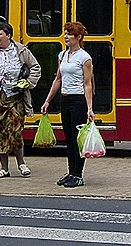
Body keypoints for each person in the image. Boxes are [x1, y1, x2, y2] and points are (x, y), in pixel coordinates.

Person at [0, 22, 41, 179]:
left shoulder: (22, 51)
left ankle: (21, 164)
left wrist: (28, 82)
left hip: (14, 97)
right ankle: (4, 168)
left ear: (8, 36)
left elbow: (36, 68)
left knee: (15, 131)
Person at [41, 21, 95, 188]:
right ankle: (71, 172)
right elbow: (58, 79)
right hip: (65, 99)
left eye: (69, 34)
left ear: (78, 37)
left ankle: (78, 175)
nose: (66, 37)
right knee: (69, 139)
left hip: (78, 101)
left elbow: (87, 84)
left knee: (77, 139)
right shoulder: (62, 55)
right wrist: (48, 100)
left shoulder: (85, 58)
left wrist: (90, 108)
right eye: (65, 33)